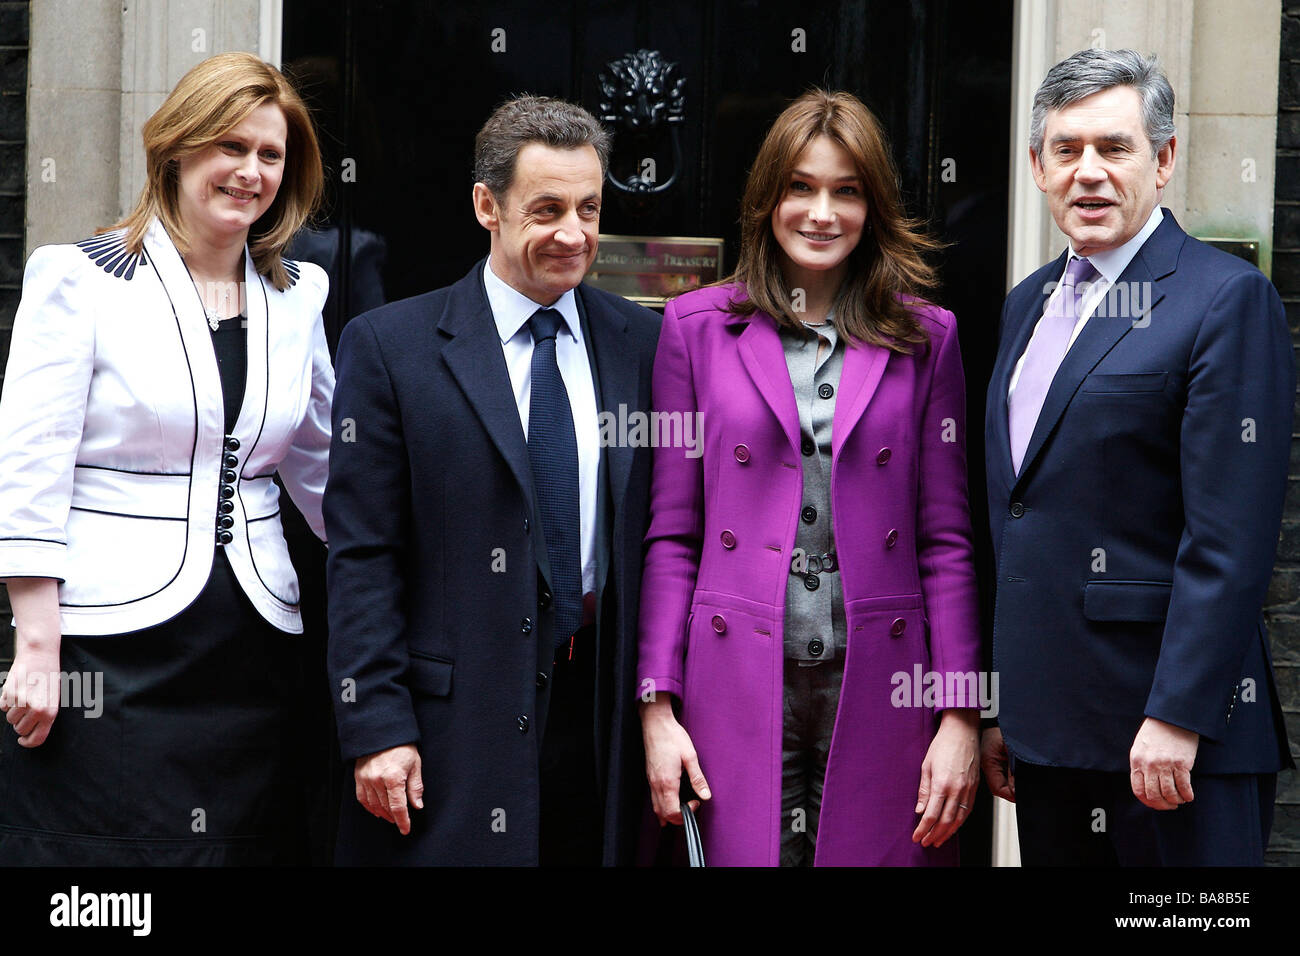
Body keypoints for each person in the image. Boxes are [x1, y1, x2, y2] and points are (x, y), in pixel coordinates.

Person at [0, 51, 333, 865]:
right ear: (178, 148)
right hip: (108, 649)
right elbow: (31, 461)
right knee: (101, 872)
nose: (249, 171)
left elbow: (326, 469)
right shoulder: (79, 277)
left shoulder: (301, 296)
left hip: (253, 646)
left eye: (270, 154)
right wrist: (36, 643)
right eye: (230, 146)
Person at [637, 89, 982, 866]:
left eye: (846, 190)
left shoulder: (926, 336)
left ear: (873, 206)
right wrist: (658, 706)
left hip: (884, 681)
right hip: (733, 679)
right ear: (768, 199)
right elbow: (673, 534)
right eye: (801, 186)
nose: (821, 212)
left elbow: (946, 540)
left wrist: (959, 713)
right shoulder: (695, 330)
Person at [325, 95, 661, 866]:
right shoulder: (389, 347)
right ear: (487, 205)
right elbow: (363, 556)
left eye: (589, 208)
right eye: (546, 209)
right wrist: (377, 726)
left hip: (601, 721)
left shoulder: (646, 342)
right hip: (452, 727)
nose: (573, 234)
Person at [981, 49, 1294, 866]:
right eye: (1067, 150)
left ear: (1162, 160)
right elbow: (1019, 515)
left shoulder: (1225, 299)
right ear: (1037, 167)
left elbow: (1231, 538)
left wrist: (1178, 715)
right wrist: (998, 709)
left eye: (1114, 148)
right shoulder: (1026, 306)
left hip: (1172, 746)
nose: (1088, 172)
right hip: (1049, 741)